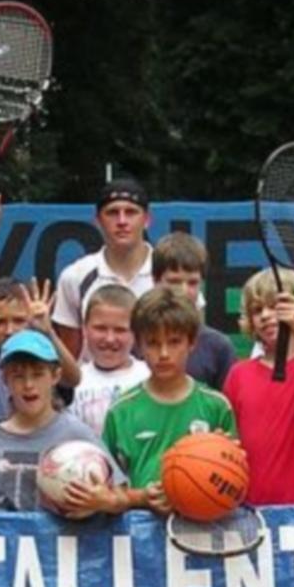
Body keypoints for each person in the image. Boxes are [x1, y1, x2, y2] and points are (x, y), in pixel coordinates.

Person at [0, 331, 126, 519]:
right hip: (6, 545)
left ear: (55, 376)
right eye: (18, 376)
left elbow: (121, 494)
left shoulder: (76, 432)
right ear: (5, 380)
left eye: (38, 374)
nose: (28, 384)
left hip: (64, 544)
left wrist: (103, 500)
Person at [0, 193, 79, 455]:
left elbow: (73, 378)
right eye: (0, 322)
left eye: (19, 320)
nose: (9, 329)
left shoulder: (41, 363)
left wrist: (47, 333)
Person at [102, 287, 237, 506]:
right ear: (139, 345)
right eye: (153, 343)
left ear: (192, 343)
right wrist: (142, 497)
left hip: (203, 530)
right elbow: (106, 491)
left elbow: (233, 483)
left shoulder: (217, 406)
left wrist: (228, 459)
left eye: (174, 342)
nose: (164, 354)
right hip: (140, 535)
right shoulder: (121, 411)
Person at [223, 270, 294, 505]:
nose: (265, 315)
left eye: (276, 306)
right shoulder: (238, 374)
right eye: (257, 310)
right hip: (248, 510)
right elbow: (228, 442)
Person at [52, 176, 157, 360]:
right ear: (97, 220)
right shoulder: (75, 277)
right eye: (112, 212)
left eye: (131, 212)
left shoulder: (170, 274)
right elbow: (70, 359)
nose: (122, 221)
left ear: (147, 220)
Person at [151, 232, 235, 389]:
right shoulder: (136, 342)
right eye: (174, 281)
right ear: (155, 281)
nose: (183, 291)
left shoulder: (218, 347)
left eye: (192, 283)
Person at [68, 284, 149, 434]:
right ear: (85, 329)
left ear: (136, 332)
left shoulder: (150, 377)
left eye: (120, 330)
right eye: (100, 328)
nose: (110, 339)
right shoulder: (74, 381)